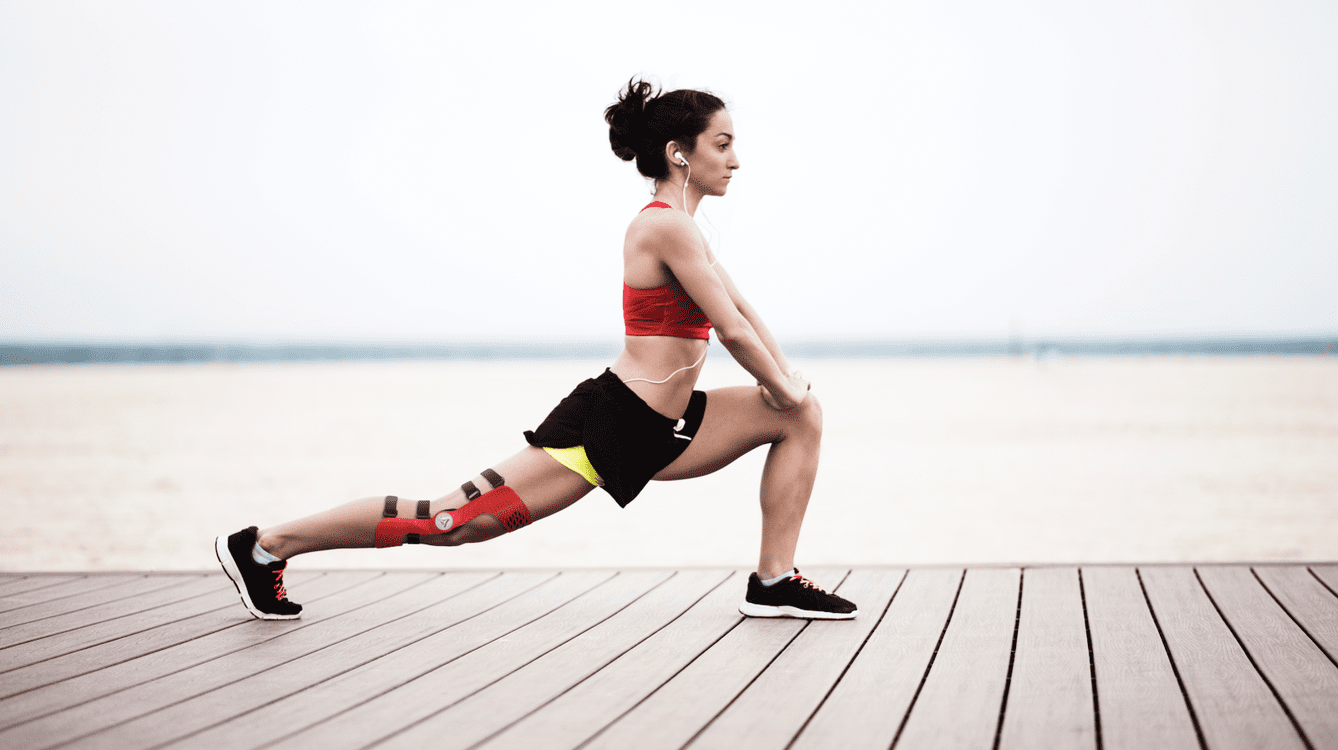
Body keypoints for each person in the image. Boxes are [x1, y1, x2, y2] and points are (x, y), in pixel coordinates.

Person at [215, 78, 857, 622]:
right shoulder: (661, 226)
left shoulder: (687, 228)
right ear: (678, 153)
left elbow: (746, 312)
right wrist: (778, 378)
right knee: (452, 522)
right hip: (610, 422)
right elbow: (733, 332)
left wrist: (785, 386)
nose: (735, 159)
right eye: (722, 144)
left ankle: (773, 582)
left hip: (670, 422)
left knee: (800, 415)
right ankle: (266, 544)